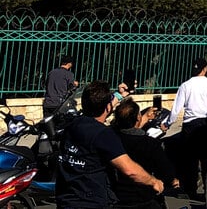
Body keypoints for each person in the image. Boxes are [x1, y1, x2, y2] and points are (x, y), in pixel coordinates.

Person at [56, 80, 164, 208]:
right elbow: (130, 171)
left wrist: (120, 95)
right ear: (108, 107)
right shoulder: (103, 134)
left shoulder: (72, 125)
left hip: (66, 198)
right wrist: (154, 182)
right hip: (90, 202)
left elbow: (101, 107)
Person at [162, 57, 207, 201]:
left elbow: (176, 108)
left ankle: (190, 190)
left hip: (190, 125)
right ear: (205, 69)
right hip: (206, 124)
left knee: (189, 160)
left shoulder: (186, 85)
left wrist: (167, 123)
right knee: (206, 159)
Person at [110, 98, 178, 209]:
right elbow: (166, 173)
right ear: (138, 118)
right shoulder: (150, 144)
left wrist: (145, 117)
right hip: (143, 198)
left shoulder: (109, 139)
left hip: (115, 196)